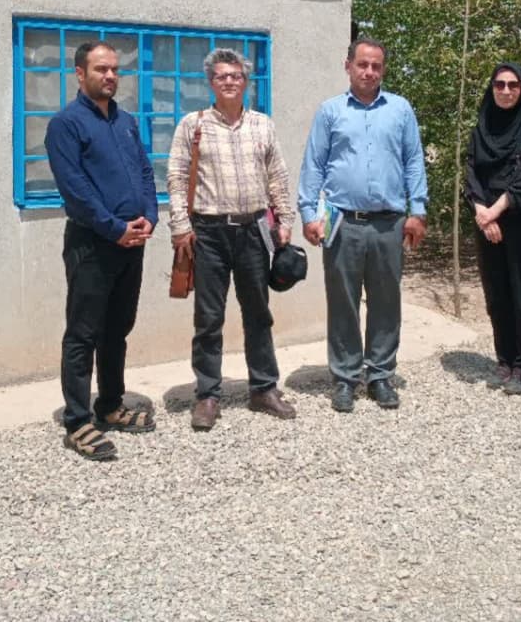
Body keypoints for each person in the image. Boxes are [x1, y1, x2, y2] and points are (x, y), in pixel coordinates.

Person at [167, 48, 299, 432]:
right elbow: (176, 177)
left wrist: (285, 220)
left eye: (236, 75)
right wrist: (180, 226)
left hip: (253, 231)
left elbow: (277, 176)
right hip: (208, 233)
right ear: (211, 82)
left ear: (246, 82)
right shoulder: (193, 125)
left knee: (258, 313)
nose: (229, 81)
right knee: (209, 318)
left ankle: (264, 388)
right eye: (222, 76)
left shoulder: (262, 125)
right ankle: (208, 394)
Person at [298, 38, 428, 413]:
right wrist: (308, 214)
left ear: (383, 69)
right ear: (348, 66)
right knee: (343, 302)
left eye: (376, 66)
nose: (369, 72)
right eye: (362, 64)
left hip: (389, 223)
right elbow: (314, 164)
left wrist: (417, 210)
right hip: (342, 221)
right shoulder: (330, 111)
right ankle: (345, 377)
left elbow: (413, 161)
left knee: (387, 302)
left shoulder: (400, 110)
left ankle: (380, 375)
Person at [45, 41, 159, 461]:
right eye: (100, 69)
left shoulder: (126, 122)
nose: (110, 76)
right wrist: (115, 229)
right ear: (80, 73)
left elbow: (144, 172)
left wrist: (150, 216)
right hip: (93, 244)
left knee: (117, 329)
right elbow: (75, 189)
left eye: (114, 69)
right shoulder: (66, 125)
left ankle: (110, 405)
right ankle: (78, 421)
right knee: (83, 333)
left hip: (132, 242)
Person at [465, 63, 521, 396]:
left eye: (513, 85)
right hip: (486, 222)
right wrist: (481, 211)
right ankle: (504, 359)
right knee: (497, 294)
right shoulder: (484, 125)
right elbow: (471, 170)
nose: (505, 91)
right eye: (499, 84)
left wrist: (495, 211)